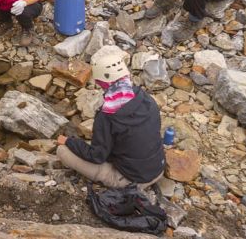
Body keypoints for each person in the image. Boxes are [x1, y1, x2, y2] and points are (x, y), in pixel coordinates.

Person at [55, 49, 165, 189]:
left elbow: (97, 156)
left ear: (101, 82)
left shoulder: (107, 115)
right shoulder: (146, 98)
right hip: (158, 168)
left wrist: (68, 141)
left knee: (62, 151)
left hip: (133, 180)